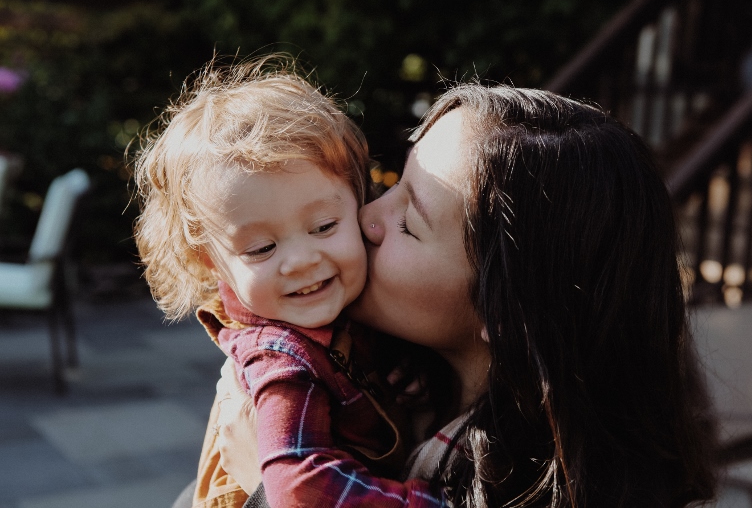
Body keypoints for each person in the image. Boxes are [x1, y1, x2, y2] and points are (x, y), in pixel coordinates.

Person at [217, 84, 719, 507]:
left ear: (509, 314)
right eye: (393, 182)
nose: (368, 216)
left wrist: (268, 491)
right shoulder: (353, 373)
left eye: (410, 223)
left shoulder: (532, 489)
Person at [133, 57, 415, 508]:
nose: (301, 260)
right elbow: (298, 486)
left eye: (324, 226)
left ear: (360, 202)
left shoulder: (352, 316)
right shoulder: (280, 359)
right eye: (262, 249)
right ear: (211, 262)